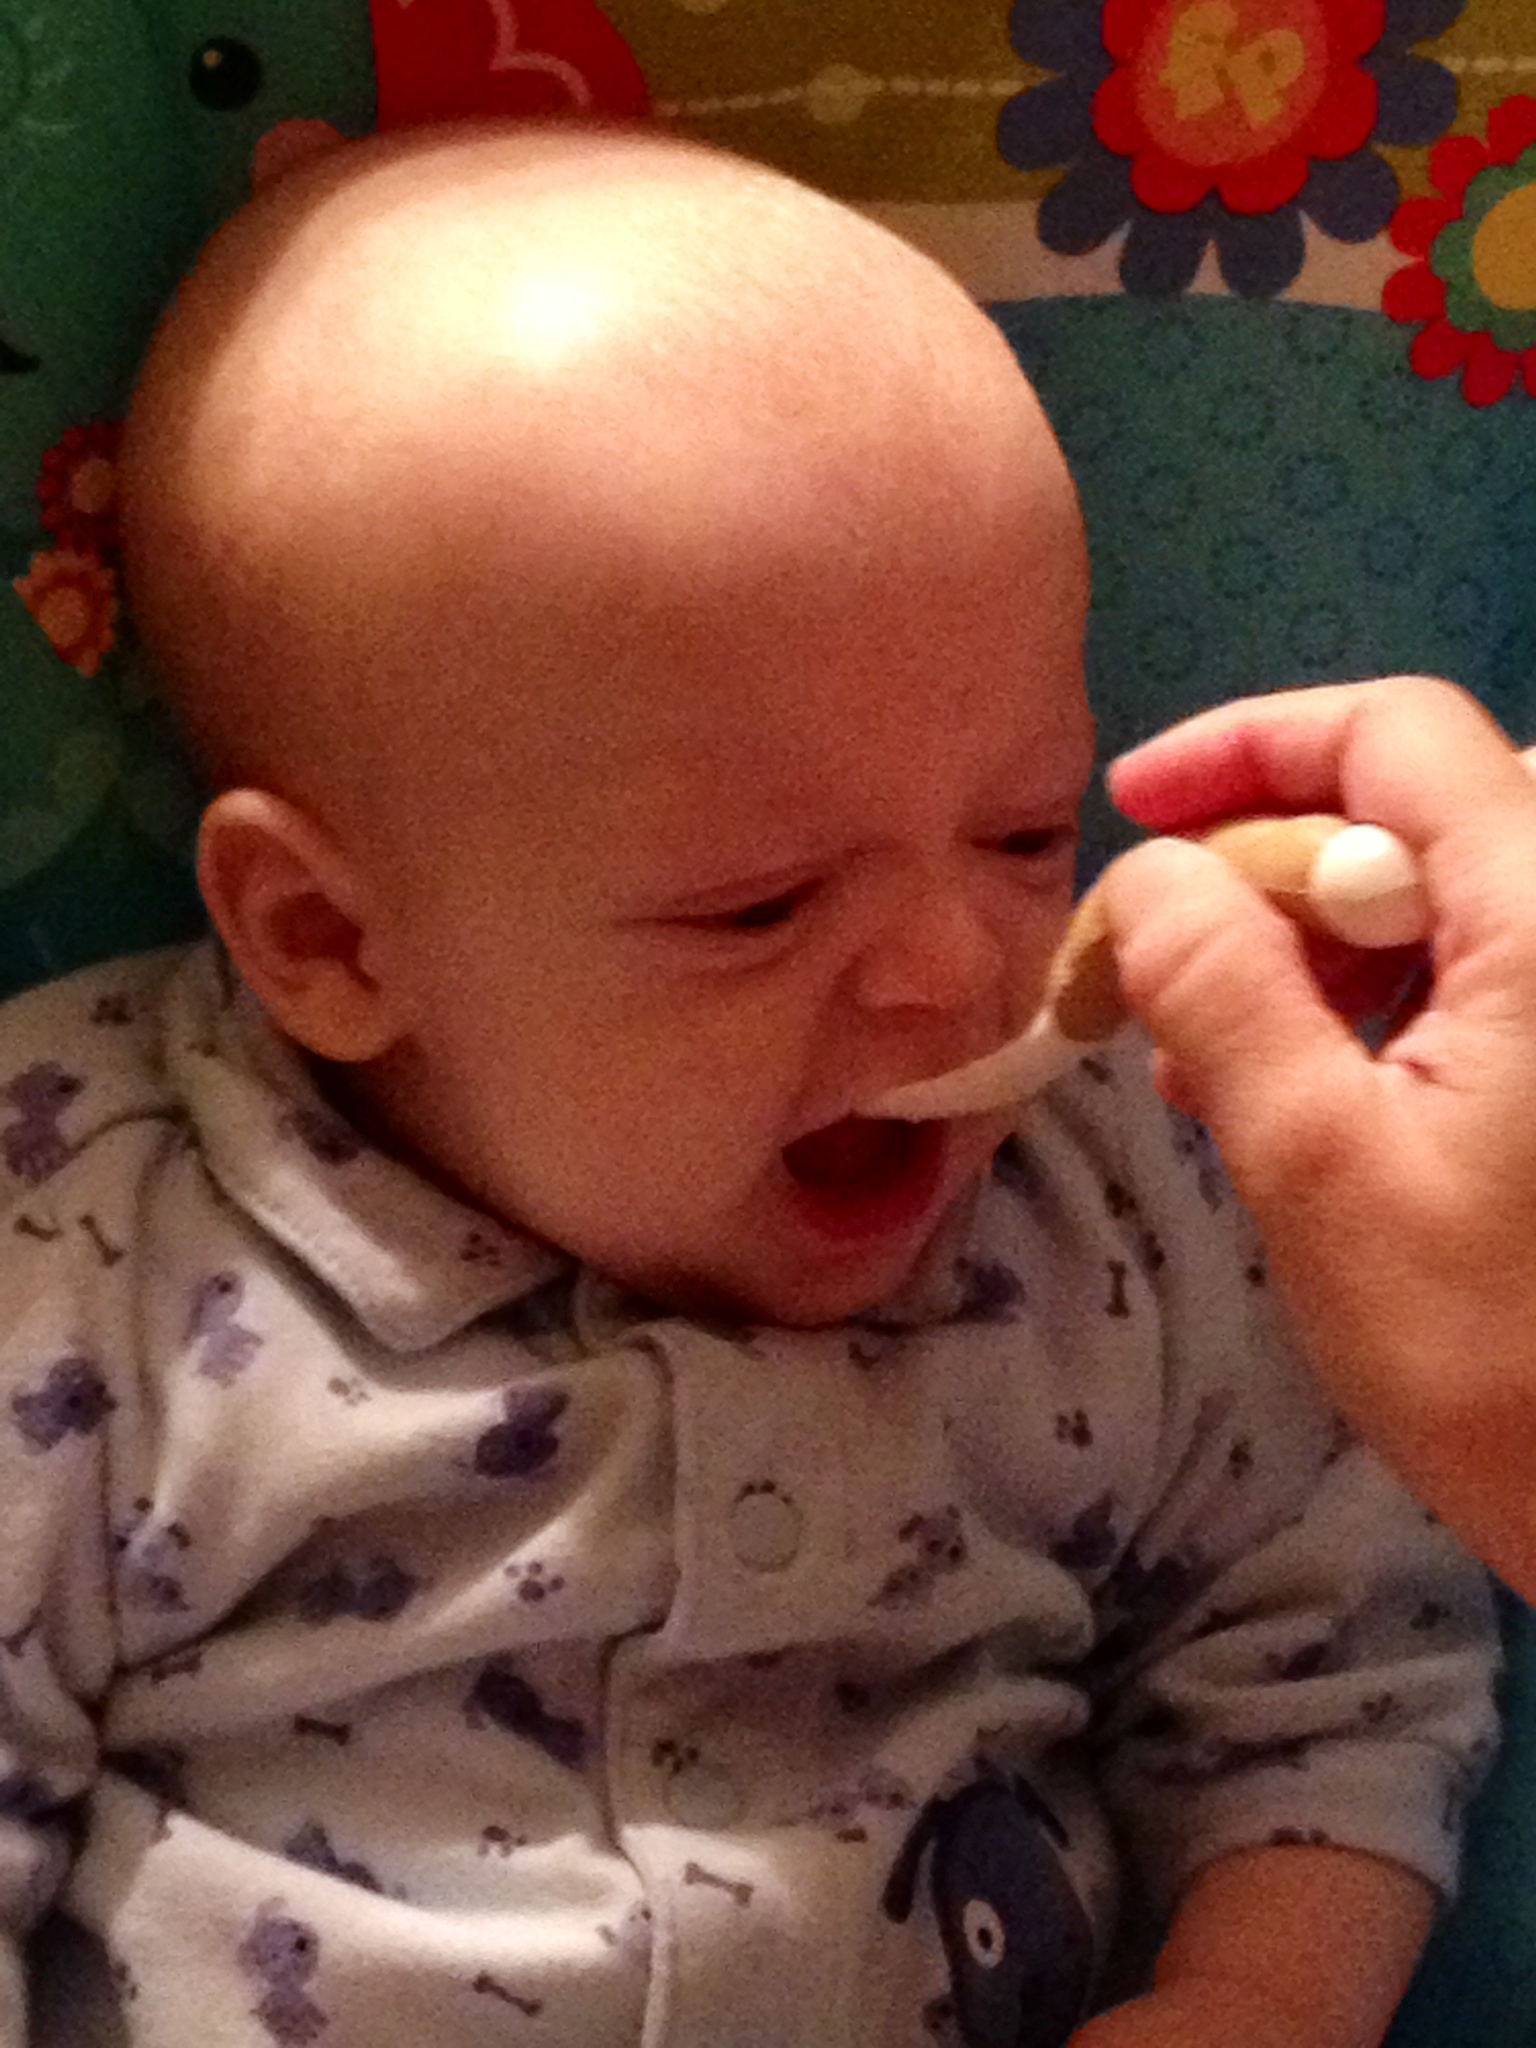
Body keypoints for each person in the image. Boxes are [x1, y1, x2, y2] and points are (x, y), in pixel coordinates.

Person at [0, 125, 1496, 2048]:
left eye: (1025, 833)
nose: (954, 973)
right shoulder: (81, 1230)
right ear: (331, 938)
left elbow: (1340, 1655)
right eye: (758, 905)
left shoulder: (1119, 1197)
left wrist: (1264, 1991)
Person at [1101, 676, 1536, 1606]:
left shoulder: (1161, 1192)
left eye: (1019, 842)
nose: (954, 967)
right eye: (778, 904)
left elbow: (1339, 1620)